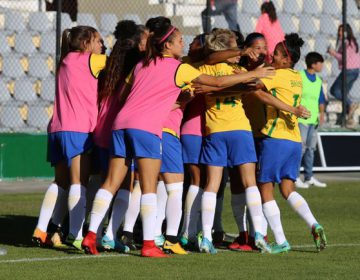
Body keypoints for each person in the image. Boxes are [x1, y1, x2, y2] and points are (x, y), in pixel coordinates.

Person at [81, 20, 272, 258]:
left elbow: (124, 94)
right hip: (147, 128)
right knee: (150, 187)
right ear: (168, 45)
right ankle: (150, 244)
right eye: (180, 40)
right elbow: (219, 82)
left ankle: (90, 235)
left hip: (121, 124)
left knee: (110, 182)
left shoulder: (142, 64)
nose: (183, 43)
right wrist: (255, 72)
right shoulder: (179, 68)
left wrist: (169, 103)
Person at [32, 26, 105, 250]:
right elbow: (120, 64)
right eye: (98, 41)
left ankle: (41, 228)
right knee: (78, 183)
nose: (101, 46)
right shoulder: (91, 60)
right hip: (78, 130)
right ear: (85, 44)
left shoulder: (64, 60)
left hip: (56, 129)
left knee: (60, 182)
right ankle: (75, 234)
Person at [256, 34, 327, 254]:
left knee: (265, 189)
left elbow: (257, 88)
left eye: (276, 53)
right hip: (294, 140)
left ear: (286, 59)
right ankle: (314, 224)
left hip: (275, 138)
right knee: (288, 189)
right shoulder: (297, 76)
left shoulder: (275, 74)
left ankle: (281, 240)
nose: (272, 55)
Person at [93, 21, 147, 253]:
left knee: (105, 181)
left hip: (101, 128)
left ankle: (92, 232)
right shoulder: (137, 69)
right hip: (123, 128)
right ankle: (111, 233)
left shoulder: (108, 67)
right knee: (125, 183)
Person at [295, 52, 327, 189]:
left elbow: (320, 99)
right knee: (300, 149)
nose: (322, 66)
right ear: (314, 64)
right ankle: (294, 177)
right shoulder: (300, 77)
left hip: (313, 120)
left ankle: (309, 177)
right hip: (302, 119)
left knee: (310, 149)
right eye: (320, 63)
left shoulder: (318, 80)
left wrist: (321, 114)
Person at [328, 24, 360, 128]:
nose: (339, 33)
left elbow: (344, 58)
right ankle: (347, 118)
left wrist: (333, 53)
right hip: (354, 71)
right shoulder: (352, 42)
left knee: (335, 90)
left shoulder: (346, 42)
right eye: (339, 31)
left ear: (346, 32)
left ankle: (351, 104)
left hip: (349, 70)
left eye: (341, 31)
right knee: (344, 94)